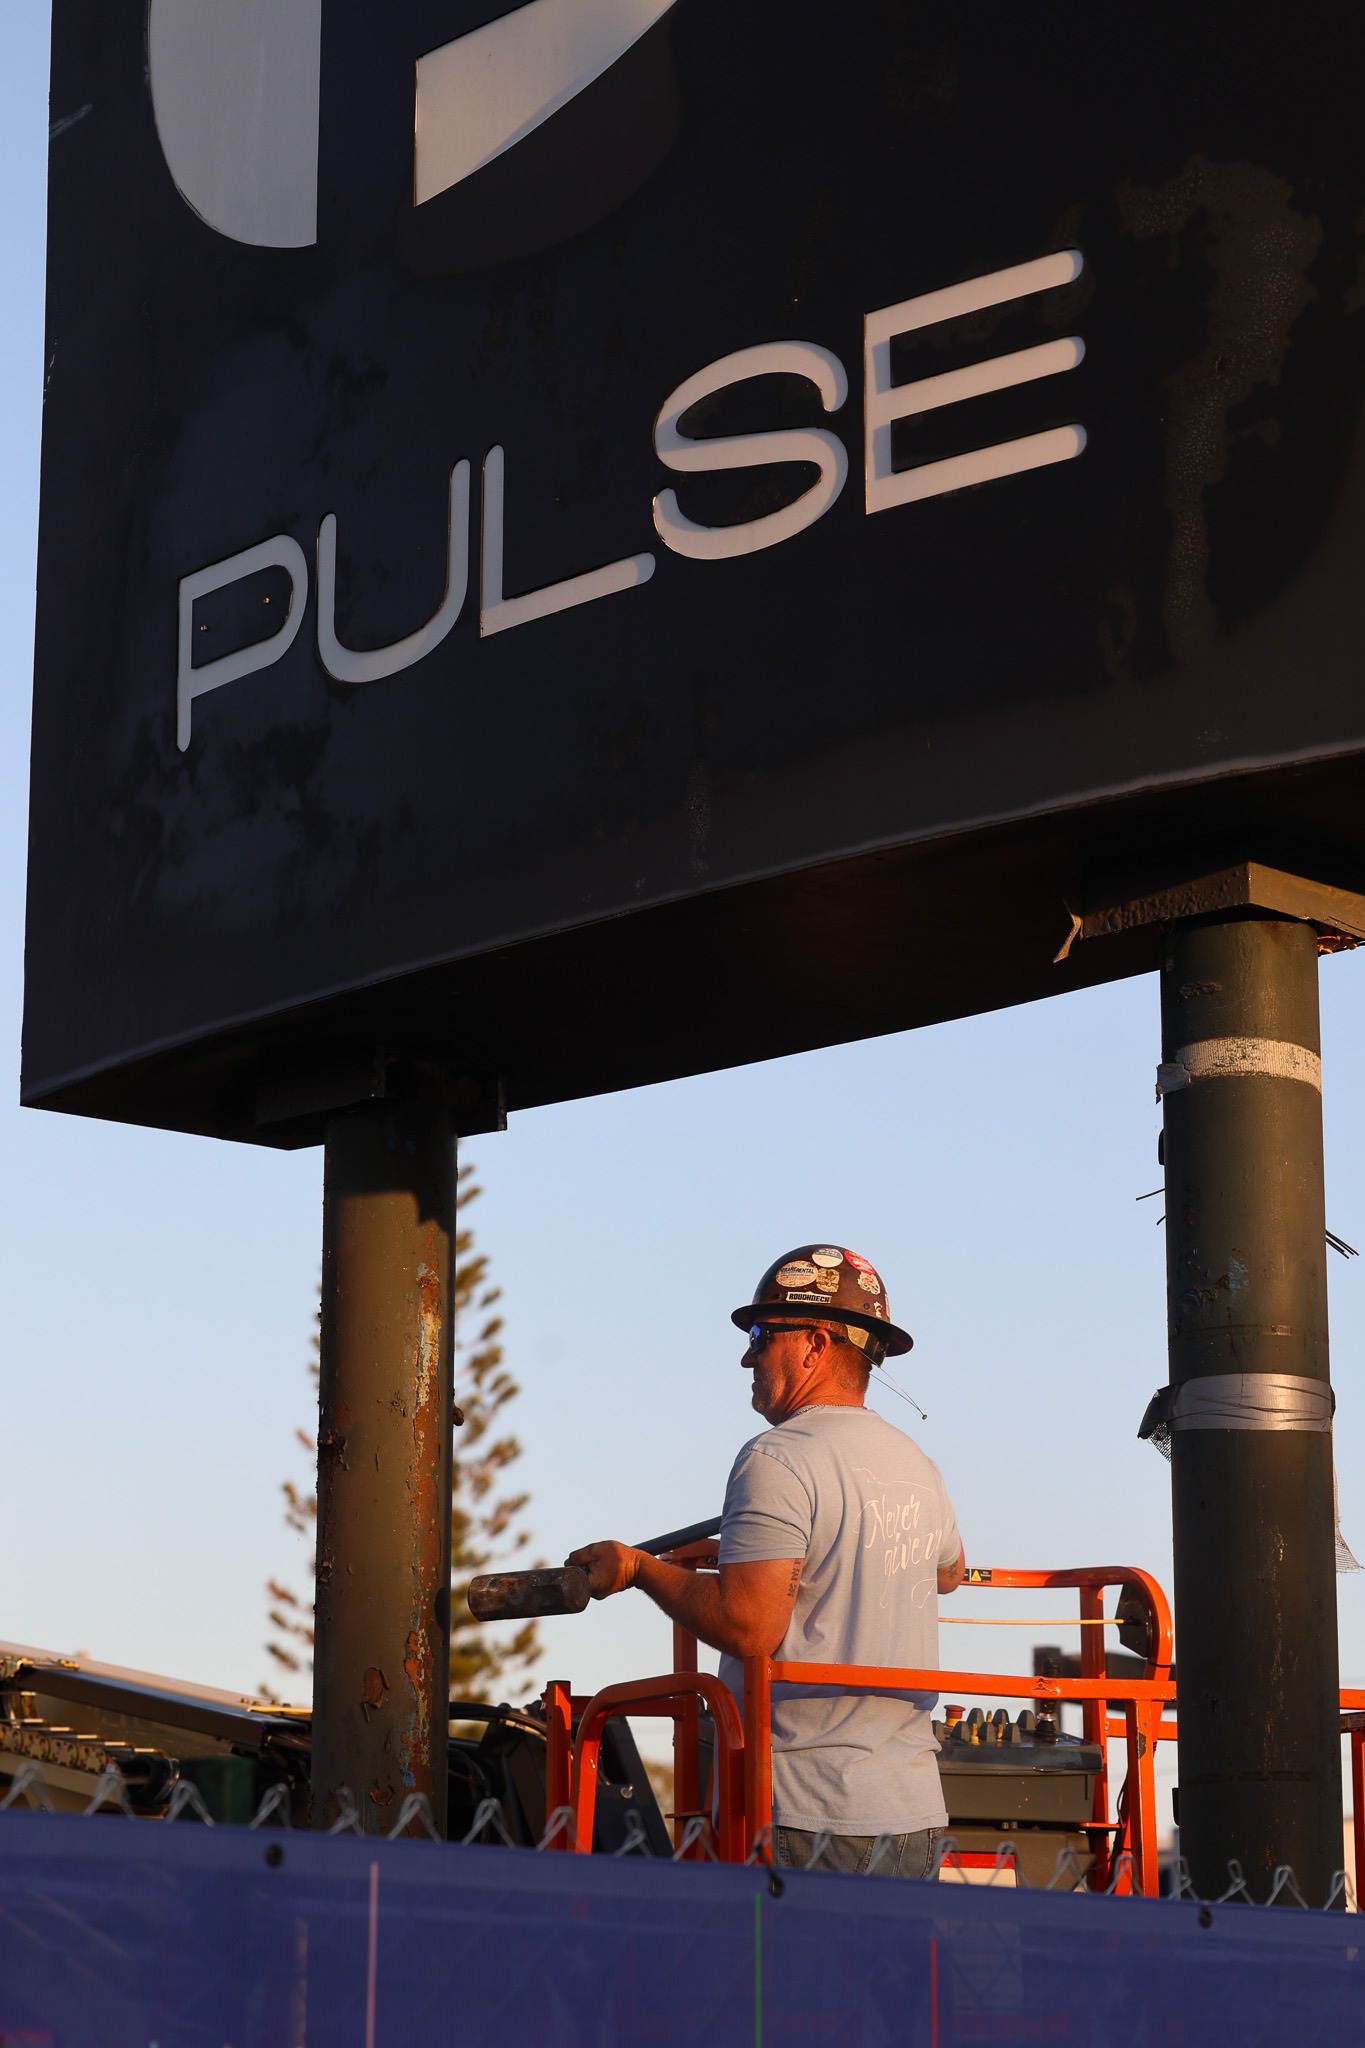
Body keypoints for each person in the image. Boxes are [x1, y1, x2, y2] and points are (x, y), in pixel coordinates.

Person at [568, 1243, 964, 1876]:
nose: (747, 1356)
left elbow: (748, 1625)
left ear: (814, 1343)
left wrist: (638, 1569)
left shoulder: (777, 1458)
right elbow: (948, 1572)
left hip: (802, 1813)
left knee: (770, 1951)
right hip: (912, 1816)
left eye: (761, 1335)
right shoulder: (918, 1465)